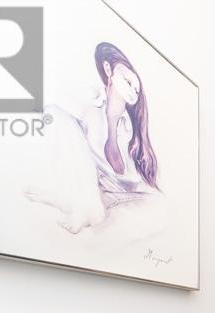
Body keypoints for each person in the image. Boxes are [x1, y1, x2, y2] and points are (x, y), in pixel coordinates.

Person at [23, 42, 160, 234]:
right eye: (128, 80)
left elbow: (136, 181)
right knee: (53, 113)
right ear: (108, 69)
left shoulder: (131, 130)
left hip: (118, 190)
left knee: (156, 204)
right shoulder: (91, 105)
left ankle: (79, 204)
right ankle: (81, 204)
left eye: (137, 90)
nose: (133, 90)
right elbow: (55, 112)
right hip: (92, 183)